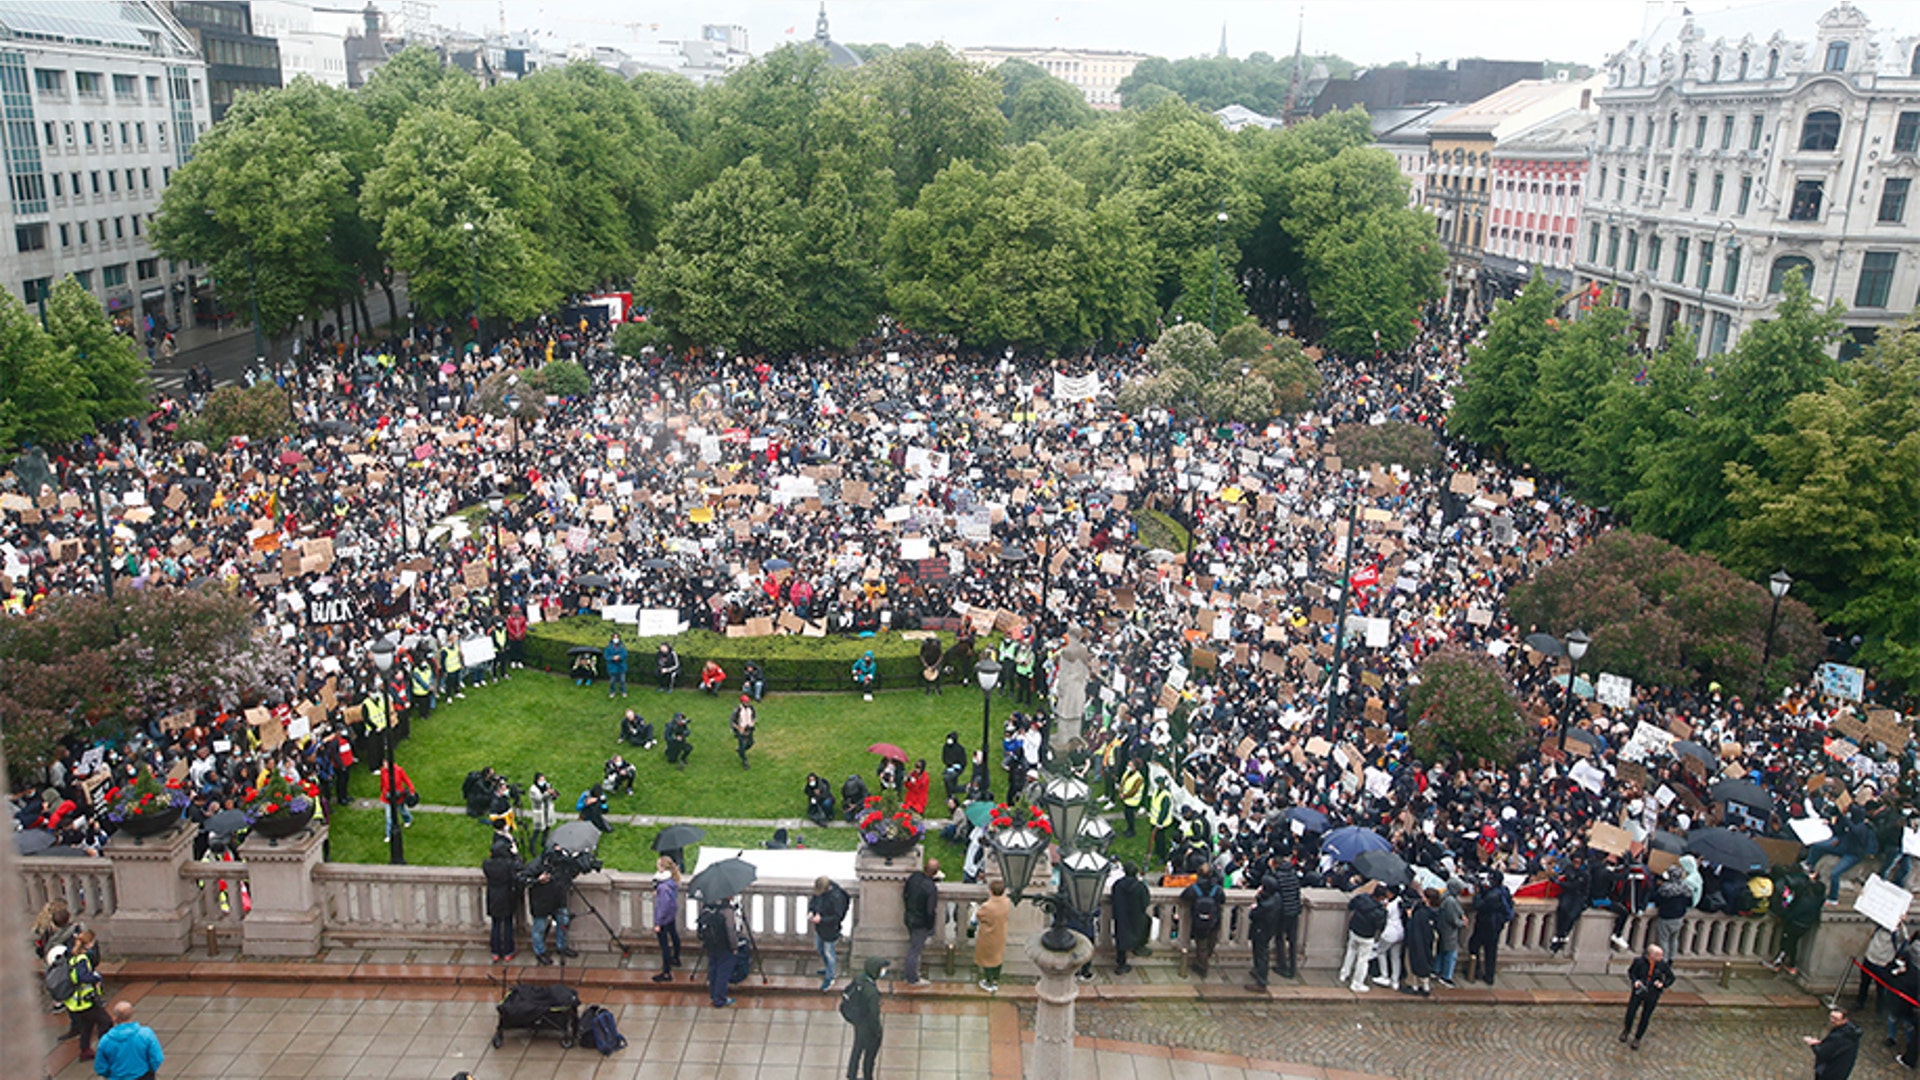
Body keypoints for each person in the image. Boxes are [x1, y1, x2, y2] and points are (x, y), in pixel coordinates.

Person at [62, 929, 108, 1060]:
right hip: (85, 1001)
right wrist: (96, 977)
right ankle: (105, 1049)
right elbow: (82, 977)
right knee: (105, 1021)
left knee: (87, 1026)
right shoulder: (82, 959)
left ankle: (85, 1050)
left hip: (76, 1002)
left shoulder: (73, 956)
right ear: (88, 944)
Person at [92, 1000, 163, 1080]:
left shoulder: (106, 1040)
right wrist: (150, 1071)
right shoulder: (146, 1034)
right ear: (132, 1013)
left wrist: (112, 1075)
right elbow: (157, 1058)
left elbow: (100, 1067)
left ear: (115, 1017)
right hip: (143, 1075)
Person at [1620, 943, 1673, 1049]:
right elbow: (1632, 973)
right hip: (1639, 990)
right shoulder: (1639, 962)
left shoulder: (1662, 964)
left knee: (1646, 1015)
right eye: (1658, 955)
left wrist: (1662, 984)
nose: (1661, 958)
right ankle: (1626, 1030)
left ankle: (1638, 1038)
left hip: (1653, 992)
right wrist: (1635, 981)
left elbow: (1671, 977)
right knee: (1631, 1011)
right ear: (1651, 955)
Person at [842, 956, 887, 1080]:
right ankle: (867, 1076)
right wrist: (877, 1032)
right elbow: (874, 1015)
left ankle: (851, 1075)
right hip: (868, 1026)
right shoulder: (872, 993)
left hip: (859, 1021)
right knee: (869, 1056)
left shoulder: (859, 978)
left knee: (857, 1049)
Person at [1340, 883, 1390, 993]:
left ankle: (1344, 973)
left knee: (1351, 951)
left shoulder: (1362, 898)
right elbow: (1381, 927)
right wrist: (1383, 910)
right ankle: (1357, 983)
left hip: (1354, 929)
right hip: (1367, 936)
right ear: (1381, 898)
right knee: (1363, 960)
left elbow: (1351, 905)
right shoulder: (1380, 911)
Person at [482, 836, 524, 962]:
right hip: (506, 896)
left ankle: (495, 951)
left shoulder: (487, 864)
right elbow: (520, 865)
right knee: (507, 924)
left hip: (493, 896)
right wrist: (516, 854)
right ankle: (508, 951)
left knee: (495, 924)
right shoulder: (508, 865)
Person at [527, 859, 576, 966]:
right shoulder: (535, 864)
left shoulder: (563, 862)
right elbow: (523, 879)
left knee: (564, 921)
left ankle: (562, 946)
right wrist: (538, 880)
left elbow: (570, 875)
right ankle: (540, 952)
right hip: (541, 902)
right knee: (539, 929)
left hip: (558, 900)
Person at [1180, 865, 1225, 978]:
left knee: (1201, 944)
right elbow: (1223, 899)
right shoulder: (1217, 889)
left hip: (1199, 921)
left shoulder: (1194, 888)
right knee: (1211, 942)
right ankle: (1204, 960)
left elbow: (1183, 897)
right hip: (1214, 921)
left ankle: (1202, 966)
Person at [902, 859, 940, 985]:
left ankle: (911, 973)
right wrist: (930, 926)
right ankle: (912, 978)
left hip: (909, 917)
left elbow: (905, 894)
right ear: (935, 873)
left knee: (913, 946)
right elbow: (930, 910)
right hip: (920, 923)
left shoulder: (914, 877)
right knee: (915, 950)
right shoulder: (931, 888)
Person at [1470, 872, 1513, 985]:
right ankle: (1489, 975)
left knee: (1474, 945)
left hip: (1486, 924)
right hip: (1496, 925)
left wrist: (1477, 894)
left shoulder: (1493, 896)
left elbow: (1478, 905)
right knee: (1491, 951)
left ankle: (1476, 970)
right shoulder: (1504, 891)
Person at [809, 875, 850, 991]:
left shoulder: (837, 897)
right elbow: (813, 902)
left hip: (831, 930)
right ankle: (828, 968)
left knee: (829, 953)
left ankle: (830, 976)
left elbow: (837, 917)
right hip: (820, 928)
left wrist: (821, 919)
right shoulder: (820, 894)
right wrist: (811, 911)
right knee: (819, 948)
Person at [699, 898, 742, 1008]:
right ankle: (720, 998)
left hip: (711, 944)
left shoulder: (707, 907)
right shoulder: (727, 910)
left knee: (713, 969)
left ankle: (714, 995)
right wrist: (734, 946)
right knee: (723, 972)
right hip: (724, 945)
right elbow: (730, 930)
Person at [1111, 862, 1152, 975]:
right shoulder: (1140, 886)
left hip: (1121, 915)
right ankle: (1139, 946)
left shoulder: (1118, 885)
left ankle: (1121, 963)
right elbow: (1145, 902)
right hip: (1136, 915)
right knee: (1146, 924)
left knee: (1121, 937)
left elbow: (1113, 899)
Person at [974, 879, 1012, 992]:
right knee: (997, 957)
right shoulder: (1006, 902)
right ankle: (996, 980)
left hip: (988, 935)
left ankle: (989, 982)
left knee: (987, 959)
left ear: (991, 891)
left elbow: (979, 915)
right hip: (1000, 934)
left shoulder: (988, 906)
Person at [1806, 1008, 1862, 1079]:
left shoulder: (1837, 1037)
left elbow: (1822, 1054)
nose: (1832, 1020)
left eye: (1836, 1019)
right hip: (1842, 1070)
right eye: (1831, 1017)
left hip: (1829, 1072)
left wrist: (1812, 1044)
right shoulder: (1851, 1032)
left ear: (1844, 1020)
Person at [650, 857, 681, 983]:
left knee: (664, 946)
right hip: (671, 916)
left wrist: (658, 923)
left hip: (663, 919)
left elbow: (662, 907)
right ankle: (676, 958)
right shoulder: (672, 881)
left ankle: (667, 972)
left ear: (663, 868)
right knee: (674, 936)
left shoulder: (663, 887)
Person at [1405, 887, 1439, 996]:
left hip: (1417, 941)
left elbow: (1413, 928)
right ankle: (1425, 986)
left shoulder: (1421, 913)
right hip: (1429, 940)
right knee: (1426, 962)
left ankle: (1414, 985)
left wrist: (1410, 917)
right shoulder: (1435, 911)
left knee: (1412, 962)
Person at [1653, 865, 1690, 958]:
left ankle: (1664, 959)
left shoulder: (1665, 888)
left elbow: (1657, 899)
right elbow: (1689, 902)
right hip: (1679, 917)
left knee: (1663, 940)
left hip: (1666, 918)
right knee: (1674, 939)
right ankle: (1672, 958)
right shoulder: (1685, 887)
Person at [378, 757, 415, 841]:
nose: (384, 765)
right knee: (389, 816)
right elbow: (382, 782)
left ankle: (408, 819)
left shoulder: (399, 770)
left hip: (398, 796)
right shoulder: (383, 771)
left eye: (386, 763)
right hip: (387, 797)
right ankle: (389, 834)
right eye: (384, 763)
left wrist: (411, 790)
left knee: (401, 810)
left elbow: (406, 780)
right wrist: (382, 790)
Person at [526, 773, 557, 850]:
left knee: (547, 827)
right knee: (537, 829)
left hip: (547, 810)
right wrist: (547, 793)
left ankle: (544, 842)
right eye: (541, 780)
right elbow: (539, 799)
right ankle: (531, 846)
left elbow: (552, 797)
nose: (543, 781)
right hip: (539, 811)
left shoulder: (547, 786)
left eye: (544, 779)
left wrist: (553, 794)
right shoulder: (533, 789)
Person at [1118, 758, 1146, 837]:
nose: (1128, 766)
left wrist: (1124, 795)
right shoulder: (1127, 772)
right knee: (1127, 814)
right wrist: (1120, 791)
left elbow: (1134, 790)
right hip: (1126, 799)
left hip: (1132, 800)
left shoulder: (1139, 777)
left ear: (1135, 767)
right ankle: (1128, 829)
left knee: (1130, 816)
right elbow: (1122, 782)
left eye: (1130, 765)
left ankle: (1132, 830)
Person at [731, 697, 756, 769]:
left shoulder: (751, 708)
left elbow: (754, 717)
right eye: (745, 702)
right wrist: (739, 729)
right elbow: (732, 722)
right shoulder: (737, 710)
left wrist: (752, 724)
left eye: (748, 702)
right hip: (741, 730)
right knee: (742, 744)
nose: (747, 703)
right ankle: (745, 761)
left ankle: (741, 750)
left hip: (749, 728)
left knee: (751, 743)